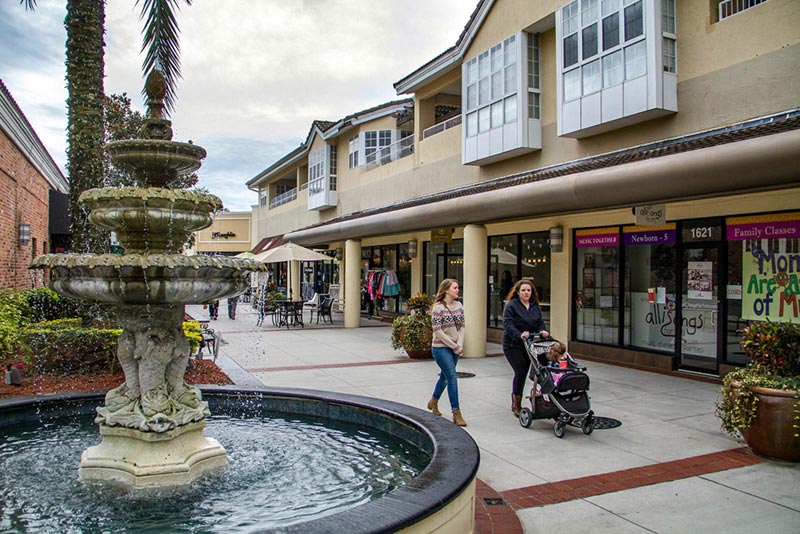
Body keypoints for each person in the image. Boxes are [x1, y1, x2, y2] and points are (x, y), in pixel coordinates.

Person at [502, 278, 550, 417]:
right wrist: (519, 334)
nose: (526, 293)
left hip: (529, 345)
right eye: (523, 290)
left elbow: (539, 322)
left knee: (538, 370)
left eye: (528, 290)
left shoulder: (534, 306)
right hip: (513, 344)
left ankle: (541, 397)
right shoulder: (511, 305)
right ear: (518, 292)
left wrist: (543, 331)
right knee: (520, 371)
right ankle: (516, 403)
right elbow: (508, 324)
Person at [427, 278, 467, 427]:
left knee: (444, 377)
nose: (458, 290)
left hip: (455, 347)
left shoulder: (459, 305)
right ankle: (456, 412)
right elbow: (437, 331)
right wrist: (453, 345)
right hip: (440, 348)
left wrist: (460, 344)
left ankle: (434, 401)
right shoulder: (438, 308)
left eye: (458, 287)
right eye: (455, 288)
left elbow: (462, 327)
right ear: (446, 290)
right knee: (452, 376)